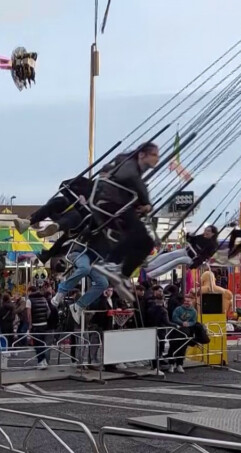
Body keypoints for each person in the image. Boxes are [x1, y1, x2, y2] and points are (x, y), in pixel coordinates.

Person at [90, 142, 161, 302]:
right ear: (142, 155)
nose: (158, 159)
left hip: (122, 204)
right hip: (111, 203)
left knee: (147, 243)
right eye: (155, 155)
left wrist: (141, 205)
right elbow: (129, 179)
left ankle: (123, 274)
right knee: (138, 235)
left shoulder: (130, 166)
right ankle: (110, 263)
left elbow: (130, 184)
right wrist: (146, 201)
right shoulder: (128, 164)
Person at [144, 226, 220, 278]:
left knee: (175, 261)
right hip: (186, 251)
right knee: (169, 255)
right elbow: (191, 240)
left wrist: (194, 265)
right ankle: (148, 267)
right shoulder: (201, 237)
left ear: (213, 233)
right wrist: (188, 235)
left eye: (208, 231)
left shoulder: (213, 245)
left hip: (191, 259)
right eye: (205, 230)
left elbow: (205, 257)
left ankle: (151, 274)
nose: (206, 232)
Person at [169, 295, 199, 373]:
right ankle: (171, 364)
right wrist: (182, 322)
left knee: (183, 348)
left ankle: (180, 364)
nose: (186, 302)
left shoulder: (194, 311)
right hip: (176, 330)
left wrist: (188, 324)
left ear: (192, 302)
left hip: (186, 331)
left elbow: (194, 321)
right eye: (185, 301)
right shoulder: (178, 309)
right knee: (173, 347)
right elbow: (174, 317)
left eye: (188, 301)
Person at [27, 285, 53, 369]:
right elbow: (48, 311)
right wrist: (45, 319)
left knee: (37, 344)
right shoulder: (43, 299)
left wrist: (30, 325)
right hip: (44, 324)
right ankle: (44, 361)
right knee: (42, 343)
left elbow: (29, 314)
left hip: (35, 325)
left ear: (30, 291)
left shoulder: (29, 300)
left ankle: (40, 361)